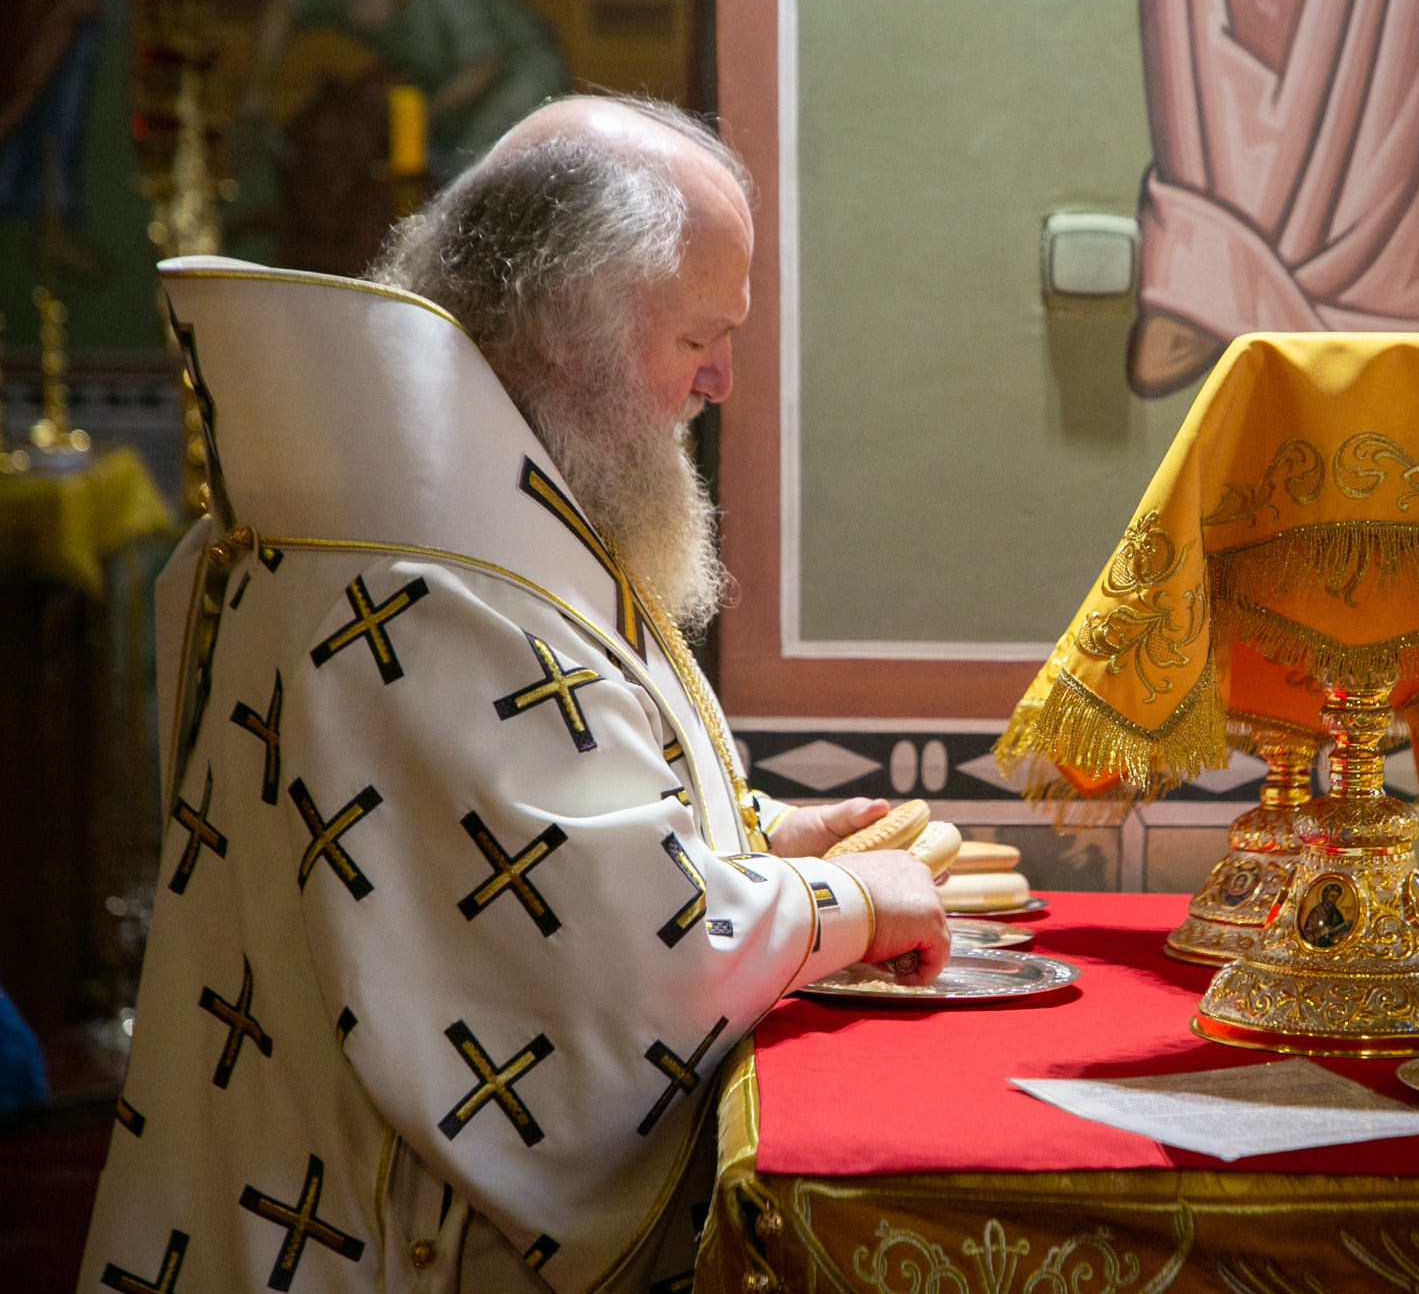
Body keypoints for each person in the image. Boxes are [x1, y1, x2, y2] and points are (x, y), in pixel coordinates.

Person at [78, 94, 949, 1294]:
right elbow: (605, 967)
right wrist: (846, 901)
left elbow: (513, 845)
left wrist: (743, 840)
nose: (721, 378)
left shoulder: (427, 509)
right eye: (697, 334)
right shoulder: (433, 585)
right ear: (565, 327)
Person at [244, 0, 571, 179]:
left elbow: (484, 68)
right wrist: (257, 91)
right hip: (450, 101)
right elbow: (283, 2)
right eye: (346, 5)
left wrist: (422, 113)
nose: (357, 16)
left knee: (472, 171)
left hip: (522, 77)